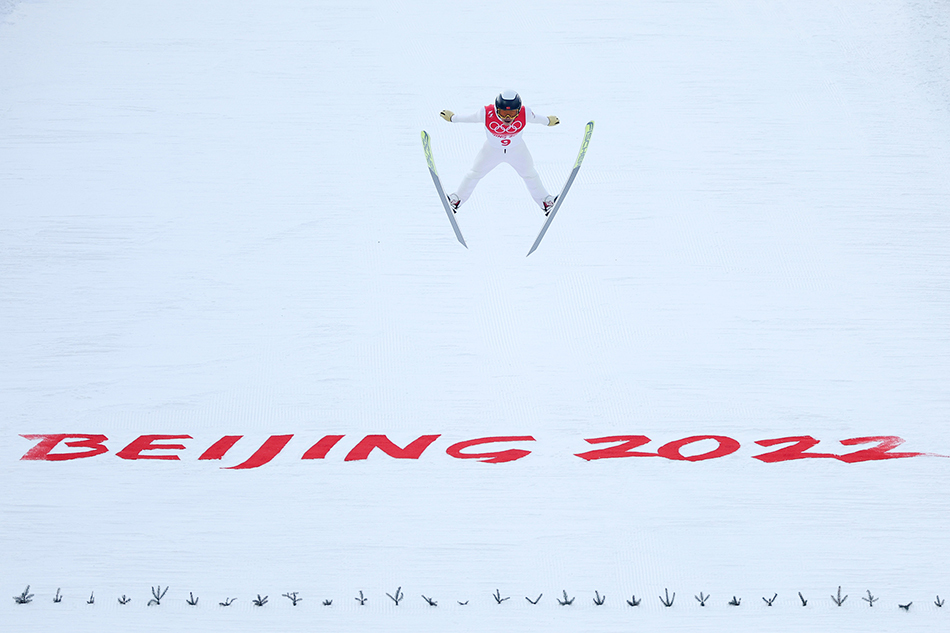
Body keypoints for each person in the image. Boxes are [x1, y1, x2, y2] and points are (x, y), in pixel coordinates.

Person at [440, 90, 560, 215]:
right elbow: (471, 118)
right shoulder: (486, 113)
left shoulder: (525, 113)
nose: (507, 118)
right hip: (491, 151)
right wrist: (453, 118)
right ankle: (457, 200)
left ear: (518, 110)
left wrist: (547, 121)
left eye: (512, 113)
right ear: (497, 110)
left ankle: (545, 202)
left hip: (517, 150)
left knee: (530, 174)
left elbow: (536, 119)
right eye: (503, 113)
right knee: (474, 173)